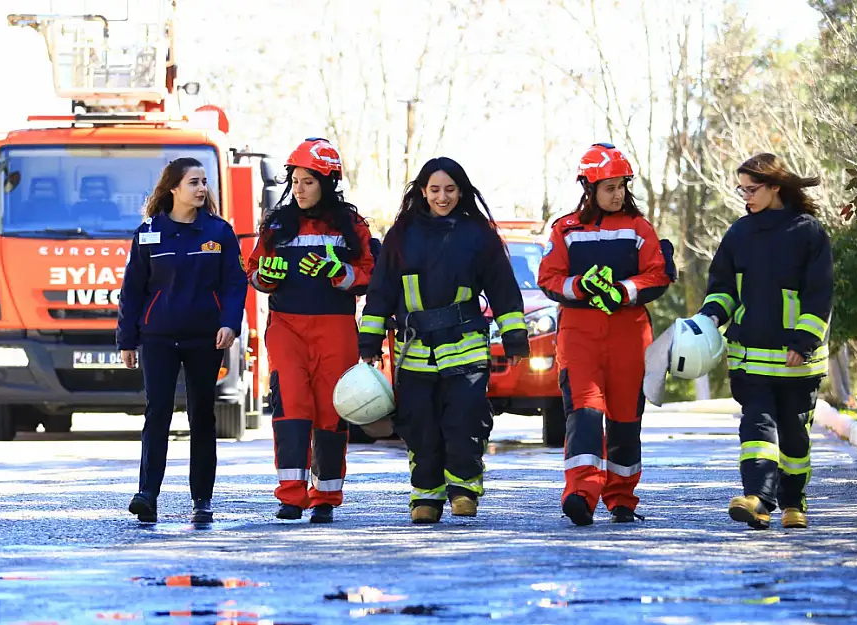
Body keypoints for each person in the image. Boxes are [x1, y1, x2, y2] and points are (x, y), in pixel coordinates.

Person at [358, 157, 529, 524]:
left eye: (450, 189)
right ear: (422, 191)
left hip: (464, 343)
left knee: (465, 419)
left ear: (461, 191)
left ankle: (464, 491)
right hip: (414, 350)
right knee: (419, 424)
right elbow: (381, 291)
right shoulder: (401, 235)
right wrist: (368, 344)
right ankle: (426, 496)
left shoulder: (477, 234)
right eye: (434, 189)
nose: (442, 197)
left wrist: (515, 338)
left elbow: (501, 286)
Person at [537, 143, 673, 526]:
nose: (618, 194)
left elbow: (658, 273)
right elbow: (549, 278)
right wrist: (581, 286)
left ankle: (622, 498)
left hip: (630, 335)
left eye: (622, 186)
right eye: (610, 187)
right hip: (580, 336)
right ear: (589, 187)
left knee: (626, 419)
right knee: (584, 414)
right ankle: (581, 494)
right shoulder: (565, 229)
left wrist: (625, 290)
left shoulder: (639, 228)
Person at [698, 153, 833, 531]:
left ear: (776, 187)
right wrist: (712, 316)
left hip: (797, 362)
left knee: (793, 438)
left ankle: (793, 503)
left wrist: (803, 341)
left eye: (752, 189)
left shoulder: (808, 232)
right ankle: (757, 498)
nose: (746, 197)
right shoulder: (739, 233)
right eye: (742, 190)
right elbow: (723, 287)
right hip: (750, 360)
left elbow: (819, 294)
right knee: (756, 430)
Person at [246, 138, 375, 524]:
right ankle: (290, 496)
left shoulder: (352, 226)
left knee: (331, 413)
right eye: (295, 181)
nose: (299, 189)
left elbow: (369, 274)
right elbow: (254, 269)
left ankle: (325, 497)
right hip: (287, 327)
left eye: (308, 181)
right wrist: (264, 279)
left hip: (335, 328)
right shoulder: (277, 224)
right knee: (292, 407)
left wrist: (339, 273)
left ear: (328, 182)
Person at [116, 157, 248, 524]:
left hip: (206, 338)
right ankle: (147, 495)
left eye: (204, 182)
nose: (202, 188)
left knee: (201, 417)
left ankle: (202, 500)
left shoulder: (219, 233)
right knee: (156, 413)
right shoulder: (148, 233)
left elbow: (235, 284)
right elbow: (133, 290)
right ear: (173, 188)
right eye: (194, 182)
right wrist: (127, 340)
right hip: (158, 338)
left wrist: (230, 324)